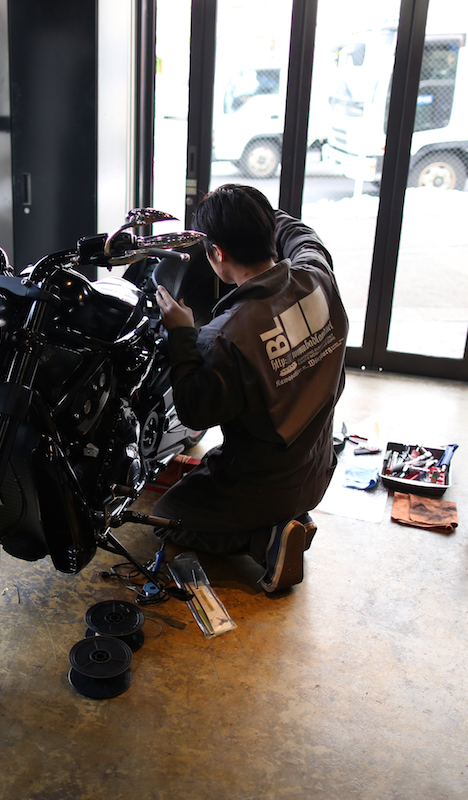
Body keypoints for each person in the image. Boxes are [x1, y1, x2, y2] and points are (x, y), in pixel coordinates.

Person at [153, 184, 348, 594]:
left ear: (217, 253)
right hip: (318, 464)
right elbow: (303, 234)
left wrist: (181, 335)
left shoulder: (225, 336)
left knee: (165, 518)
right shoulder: (317, 275)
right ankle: (291, 516)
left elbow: (194, 411)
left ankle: (268, 537)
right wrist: (248, 211)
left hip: (265, 483)